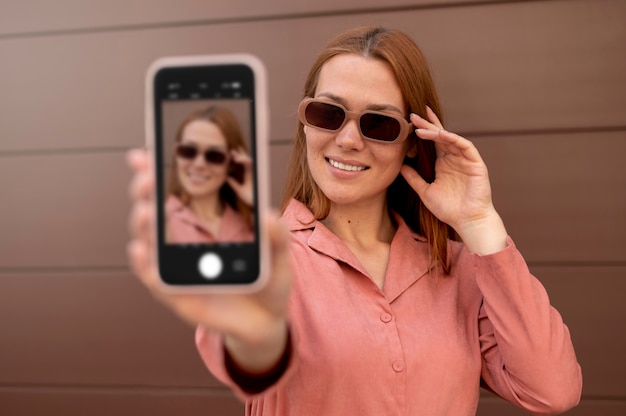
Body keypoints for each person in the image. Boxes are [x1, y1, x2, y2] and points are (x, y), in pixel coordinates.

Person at [128, 26, 582, 415]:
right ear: (305, 123)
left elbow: (552, 390)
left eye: (378, 124)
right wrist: (255, 335)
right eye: (327, 114)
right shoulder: (263, 256)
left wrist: (480, 221)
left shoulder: (460, 268)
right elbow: (250, 357)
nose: (346, 140)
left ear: (411, 141)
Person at [165, 105, 254, 244]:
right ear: (176, 154)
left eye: (214, 155)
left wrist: (255, 201)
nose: (199, 164)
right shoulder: (160, 222)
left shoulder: (252, 223)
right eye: (188, 151)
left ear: (232, 163)